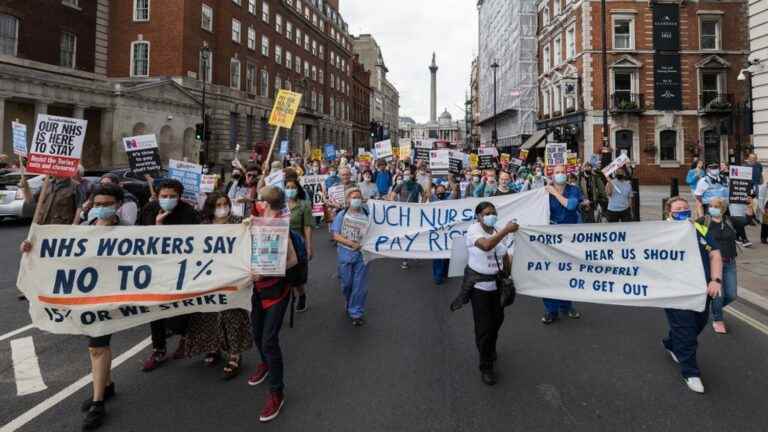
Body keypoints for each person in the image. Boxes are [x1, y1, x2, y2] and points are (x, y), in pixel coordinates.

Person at [21, 184, 127, 429]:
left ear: (118, 205)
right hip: (86, 297)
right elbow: (57, 255)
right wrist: (31, 248)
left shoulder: (130, 232)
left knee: (97, 347)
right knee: (99, 345)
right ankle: (107, 385)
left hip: (112, 298)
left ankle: (98, 403)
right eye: (98, 204)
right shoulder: (82, 230)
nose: (102, 209)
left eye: (107, 204)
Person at [184, 192, 253, 379]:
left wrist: (251, 226)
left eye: (225, 203)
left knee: (233, 316)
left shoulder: (240, 223)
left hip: (233, 278)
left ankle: (234, 355)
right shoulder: (204, 227)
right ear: (211, 207)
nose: (223, 208)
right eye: (218, 204)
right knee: (208, 315)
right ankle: (213, 348)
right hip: (209, 277)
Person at [449, 202, 518, 385]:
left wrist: (509, 274)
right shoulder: (474, 231)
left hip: (497, 286)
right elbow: (486, 246)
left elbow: (505, 256)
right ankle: (486, 366)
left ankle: (488, 348)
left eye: (493, 212)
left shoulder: (496, 231)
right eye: (487, 213)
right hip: (479, 287)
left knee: (497, 321)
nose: (491, 215)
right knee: (484, 327)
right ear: (478, 216)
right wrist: (506, 230)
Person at [246, 186, 299, 422]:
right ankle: (265, 365)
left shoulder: (281, 226)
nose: (258, 202)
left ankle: (277, 392)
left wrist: (266, 271)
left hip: (276, 291)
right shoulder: (254, 222)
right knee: (257, 334)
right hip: (256, 290)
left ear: (265, 204)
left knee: (269, 340)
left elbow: (292, 260)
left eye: (260, 200)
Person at [139, 179, 201, 371]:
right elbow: (138, 238)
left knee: (182, 309)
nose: (167, 199)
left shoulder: (188, 213)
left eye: (172, 196)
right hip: (155, 269)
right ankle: (158, 349)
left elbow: (197, 240)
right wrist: (158, 226)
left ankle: (184, 336)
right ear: (157, 196)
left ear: (179, 197)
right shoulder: (149, 210)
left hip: (181, 269)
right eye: (163, 196)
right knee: (155, 309)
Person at [663, 196, 723, 393]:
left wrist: (715, 280)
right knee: (687, 332)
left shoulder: (700, 228)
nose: (683, 211)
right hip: (675, 292)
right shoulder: (660, 232)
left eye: (685, 208)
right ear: (668, 212)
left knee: (698, 323)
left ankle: (672, 343)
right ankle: (691, 372)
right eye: (678, 208)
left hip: (701, 290)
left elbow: (714, 254)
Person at [542, 165, 583, 324]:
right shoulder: (544, 192)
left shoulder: (573, 190)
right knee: (551, 272)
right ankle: (551, 310)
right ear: (552, 176)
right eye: (557, 172)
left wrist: (554, 193)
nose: (560, 175)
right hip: (551, 237)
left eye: (562, 172)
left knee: (568, 271)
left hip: (570, 237)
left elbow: (571, 205)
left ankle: (567, 306)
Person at [331, 188, 370, 326]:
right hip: (346, 253)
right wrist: (350, 243)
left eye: (359, 197)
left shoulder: (367, 213)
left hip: (362, 255)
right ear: (348, 200)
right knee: (347, 284)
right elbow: (335, 235)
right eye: (353, 197)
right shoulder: (341, 215)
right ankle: (349, 301)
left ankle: (356, 312)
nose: (356, 200)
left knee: (359, 285)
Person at [705, 198, 738, 334]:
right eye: (711, 206)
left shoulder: (729, 221)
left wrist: (748, 206)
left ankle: (713, 308)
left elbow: (747, 220)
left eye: (716, 206)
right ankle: (718, 319)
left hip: (730, 262)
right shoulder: (704, 221)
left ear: (723, 208)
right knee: (718, 295)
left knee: (731, 295)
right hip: (713, 264)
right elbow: (689, 230)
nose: (712, 208)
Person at [285, 178, 313, 312]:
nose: (290, 190)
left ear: (297, 189)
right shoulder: (280, 205)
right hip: (281, 243)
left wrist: (308, 247)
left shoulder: (304, 205)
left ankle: (301, 295)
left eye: (293, 187)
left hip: (297, 243)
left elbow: (307, 227)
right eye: (287, 187)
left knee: (297, 276)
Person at [391, 166, 424, 269]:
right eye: (405, 174)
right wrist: (396, 205)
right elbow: (392, 195)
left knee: (414, 235)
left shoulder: (418, 186)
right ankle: (404, 259)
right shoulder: (401, 185)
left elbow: (424, 195)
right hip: (403, 214)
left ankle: (414, 253)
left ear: (412, 175)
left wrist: (421, 205)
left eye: (408, 174)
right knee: (404, 236)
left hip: (414, 214)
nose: (406, 175)